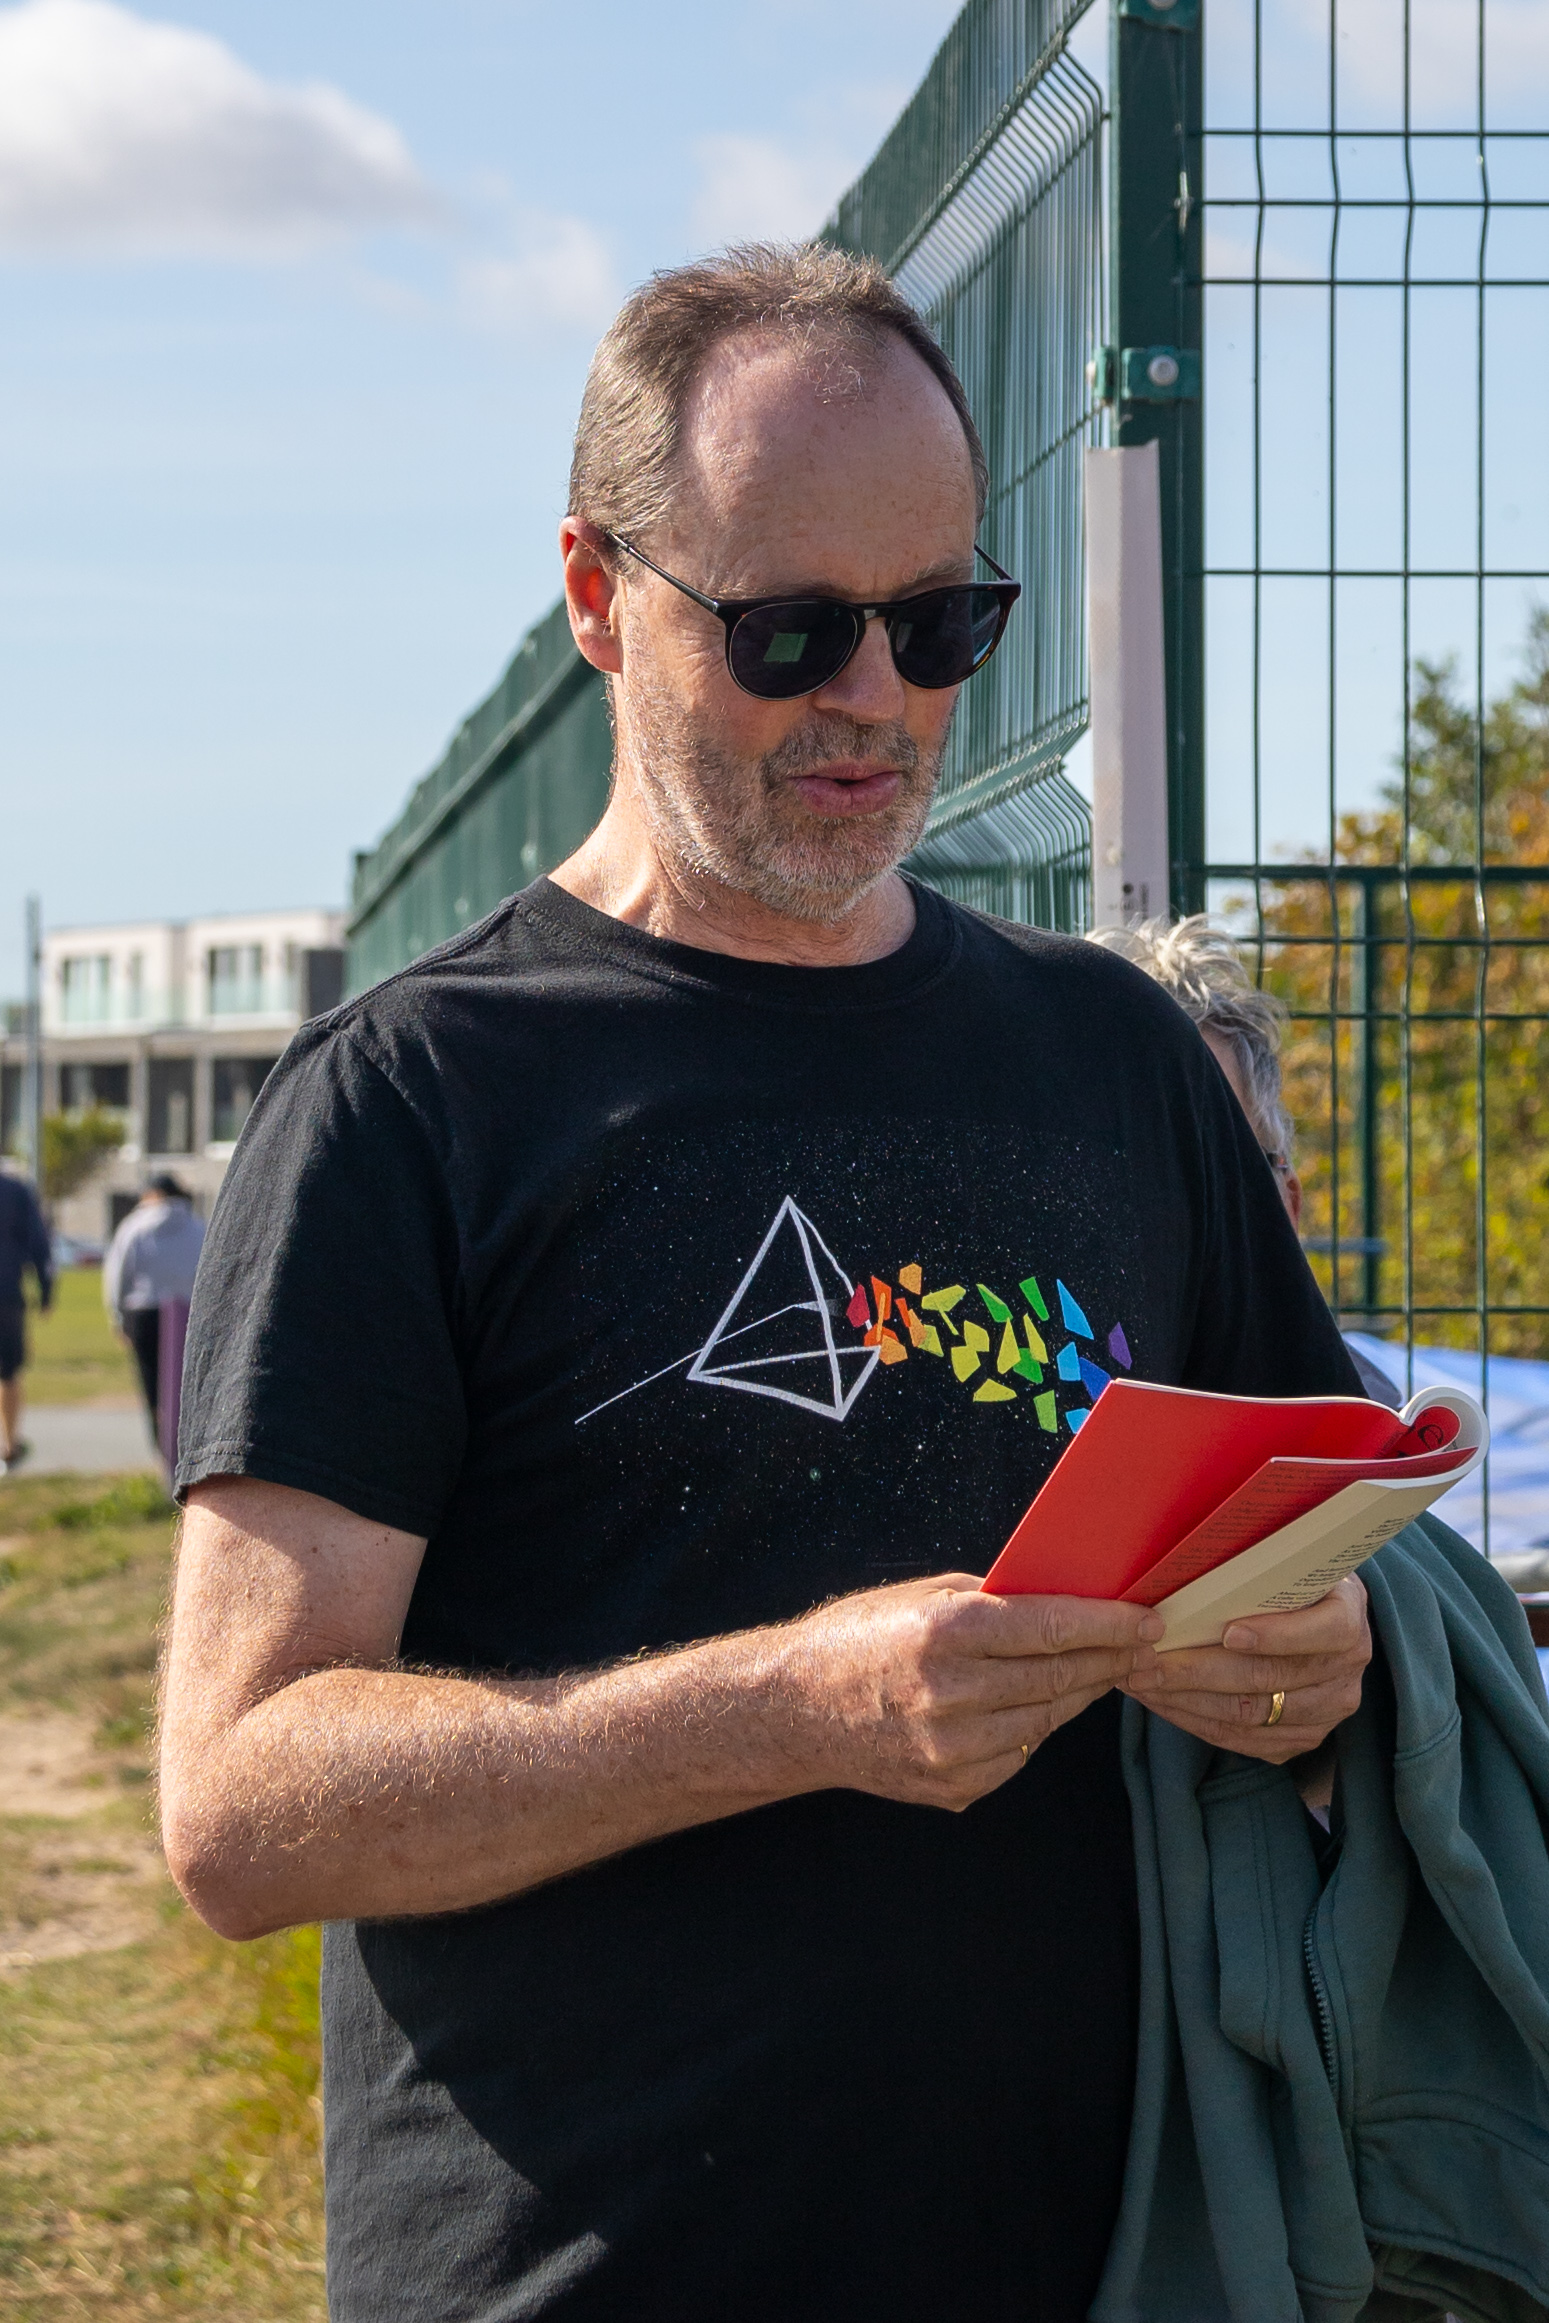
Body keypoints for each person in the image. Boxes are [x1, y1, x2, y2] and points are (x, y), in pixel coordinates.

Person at [159, 245, 1374, 2323]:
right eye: (788, 629)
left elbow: (1317, 1577)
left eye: (941, 619)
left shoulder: (1110, 1059)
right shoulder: (413, 1101)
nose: (875, 697)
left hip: (1099, 2269)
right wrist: (790, 1708)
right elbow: (244, 1804)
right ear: (593, 593)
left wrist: (1306, 1664)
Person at [1089, 914, 1406, 1410]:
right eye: (1127, 1168)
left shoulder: (1369, 1421)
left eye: (1219, 1164)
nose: (1175, 1208)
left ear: (1287, 1206)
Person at [104, 1173, 206, 1453]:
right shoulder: (198, 1226)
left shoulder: (134, 1226)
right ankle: (185, 1446)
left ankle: (160, 1446)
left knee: (151, 1384)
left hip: (144, 1312)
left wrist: (118, 1317)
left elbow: (117, 1275)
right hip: (187, 1312)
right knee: (184, 1384)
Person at [0, 1168, 52, 1475]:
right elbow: (37, 1242)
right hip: (6, 1293)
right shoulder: (15, 1191)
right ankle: (9, 1446)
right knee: (8, 1372)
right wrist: (45, 1290)